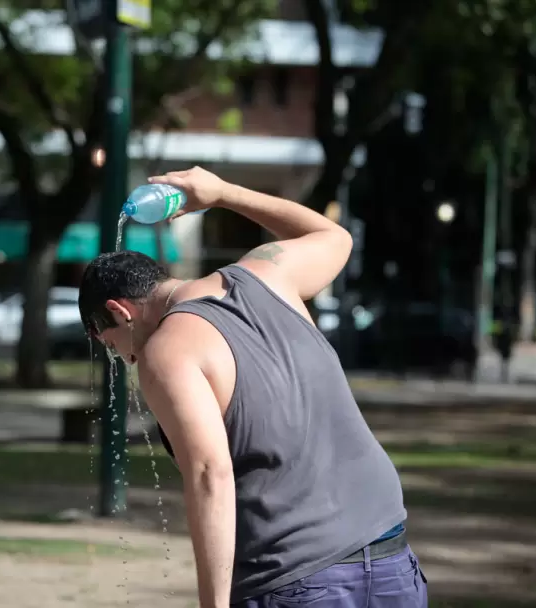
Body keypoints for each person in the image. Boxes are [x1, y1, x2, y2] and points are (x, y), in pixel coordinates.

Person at [78, 167, 427, 608]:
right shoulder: (267, 276)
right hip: (390, 556)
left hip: (297, 578)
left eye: (112, 346)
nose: (125, 359)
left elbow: (211, 475)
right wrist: (223, 193)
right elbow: (335, 237)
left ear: (120, 311)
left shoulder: (166, 351)